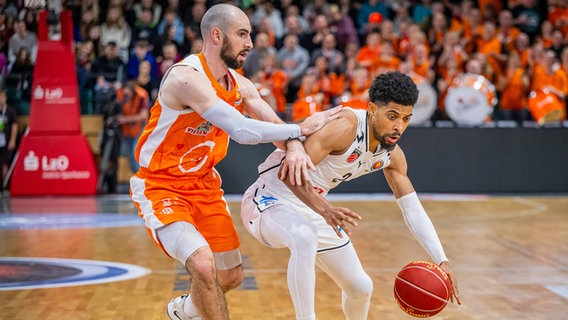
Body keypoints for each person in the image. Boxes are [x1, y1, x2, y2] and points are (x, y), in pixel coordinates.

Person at [129, 4, 341, 320]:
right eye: (242, 34)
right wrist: (299, 128)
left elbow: (273, 125)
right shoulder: (185, 78)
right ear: (217, 35)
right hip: (162, 186)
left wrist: (293, 145)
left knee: (230, 276)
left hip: (204, 185)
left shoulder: (240, 84)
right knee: (202, 263)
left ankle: (185, 311)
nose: (250, 43)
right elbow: (240, 129)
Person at [240, 72, 462, 320]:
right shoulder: (345, 127)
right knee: (304, 237)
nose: (399, 126)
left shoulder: (391, 155)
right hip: (269, 200)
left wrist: (441, 259)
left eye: (406, 118)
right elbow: (290, 175)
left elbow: (412, 209)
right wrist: (325, 209)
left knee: (360, 288)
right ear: (371, 109)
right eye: (392, 116)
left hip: (313, 209)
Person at [0, 90, 17, 194]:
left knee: (4, 163)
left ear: (5, 98)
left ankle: (5, 184)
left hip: (5, 141)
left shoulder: (10, 111)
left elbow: (14, 126)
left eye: (2, 96)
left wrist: (12, 140)